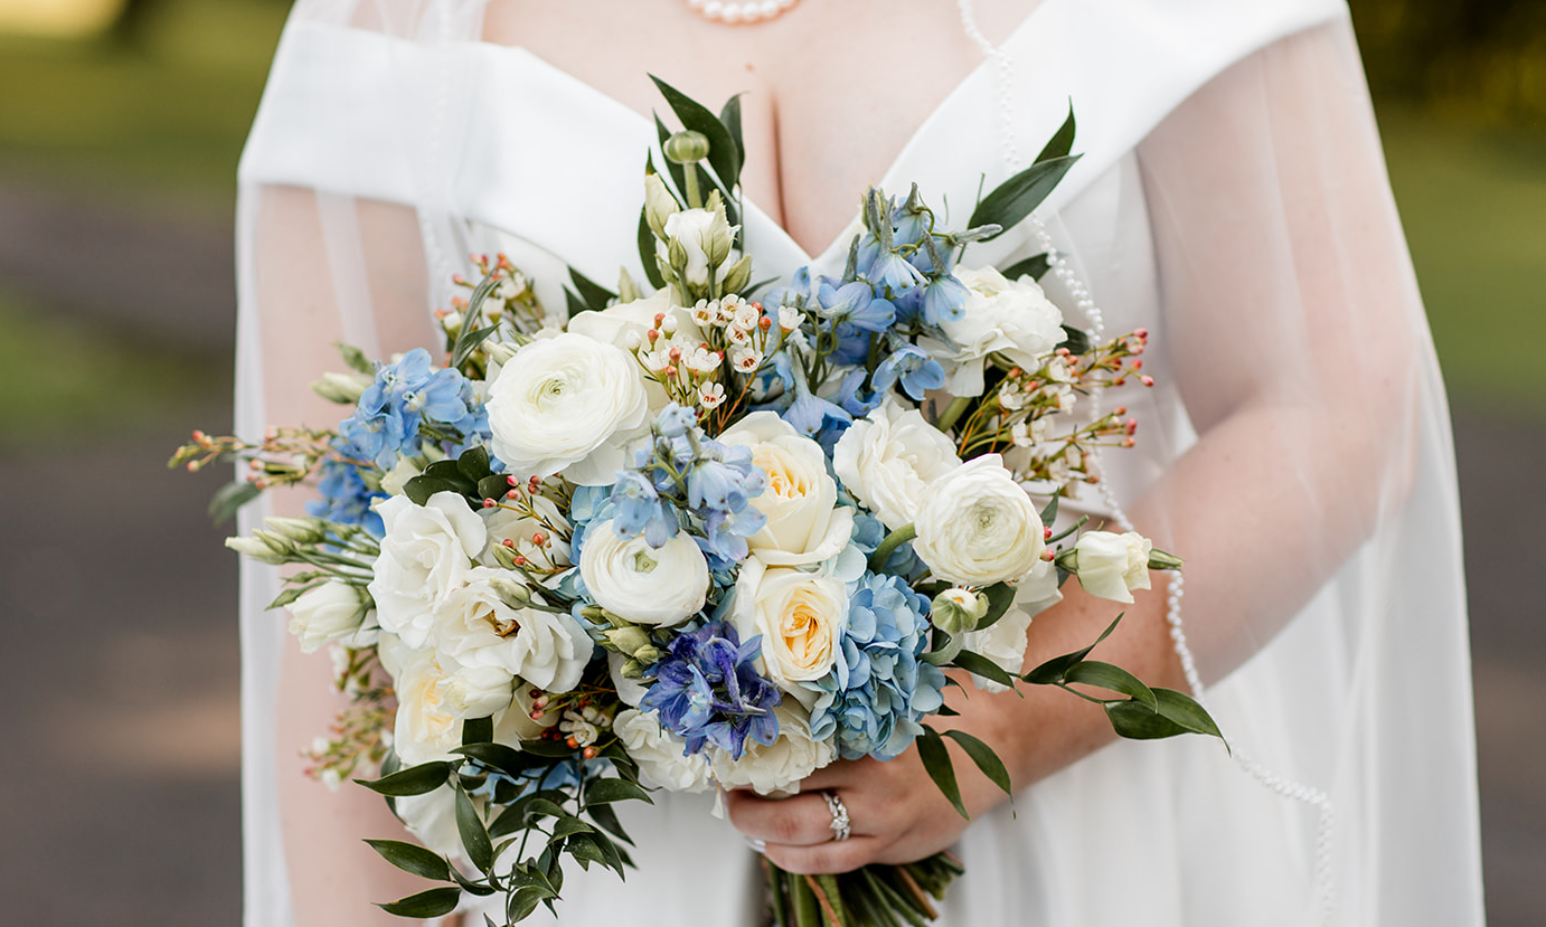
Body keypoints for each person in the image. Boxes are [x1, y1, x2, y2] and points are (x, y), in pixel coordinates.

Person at [235, 0, 1485, 924]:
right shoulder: (392, 20)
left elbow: (1329, 396)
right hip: (605, 873)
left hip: (1083, 843)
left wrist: (1011, 723)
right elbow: (346, 565)